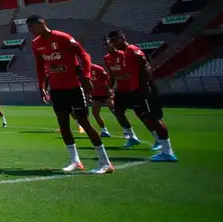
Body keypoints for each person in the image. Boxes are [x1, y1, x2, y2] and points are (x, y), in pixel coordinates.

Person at [27, 15, 113, 175]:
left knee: (84, 122)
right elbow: (40, 65)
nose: (30, 31)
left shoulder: (62, 37)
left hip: (73, 87)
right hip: (56, 89)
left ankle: (105, 162)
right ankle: (75, 161)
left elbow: (84, 55)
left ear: (41, 23)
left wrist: (86, 76)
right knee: (63, 124)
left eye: (31, 27)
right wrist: (42, 86)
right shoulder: (36, 44)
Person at [106, 30, 177, 162]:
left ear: (122, 38)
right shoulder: (127, 53)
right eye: (112, 42)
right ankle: (165, 150)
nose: (113, 44)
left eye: (115, 41)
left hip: (143, 90)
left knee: (154, 118)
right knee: (148, 117)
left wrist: (145, 87)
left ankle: (168, 152)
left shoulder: (132, 50)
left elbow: (146, 67)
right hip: (138, 90)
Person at [89, 61, 113, 138]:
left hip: (104, 93)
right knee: (95, 113)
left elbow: (107, 78)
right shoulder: (85, 70)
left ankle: (126, 131)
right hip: (95, 94)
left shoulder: (98, 68)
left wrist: (109, 89)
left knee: (115, 111)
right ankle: (104, 131)